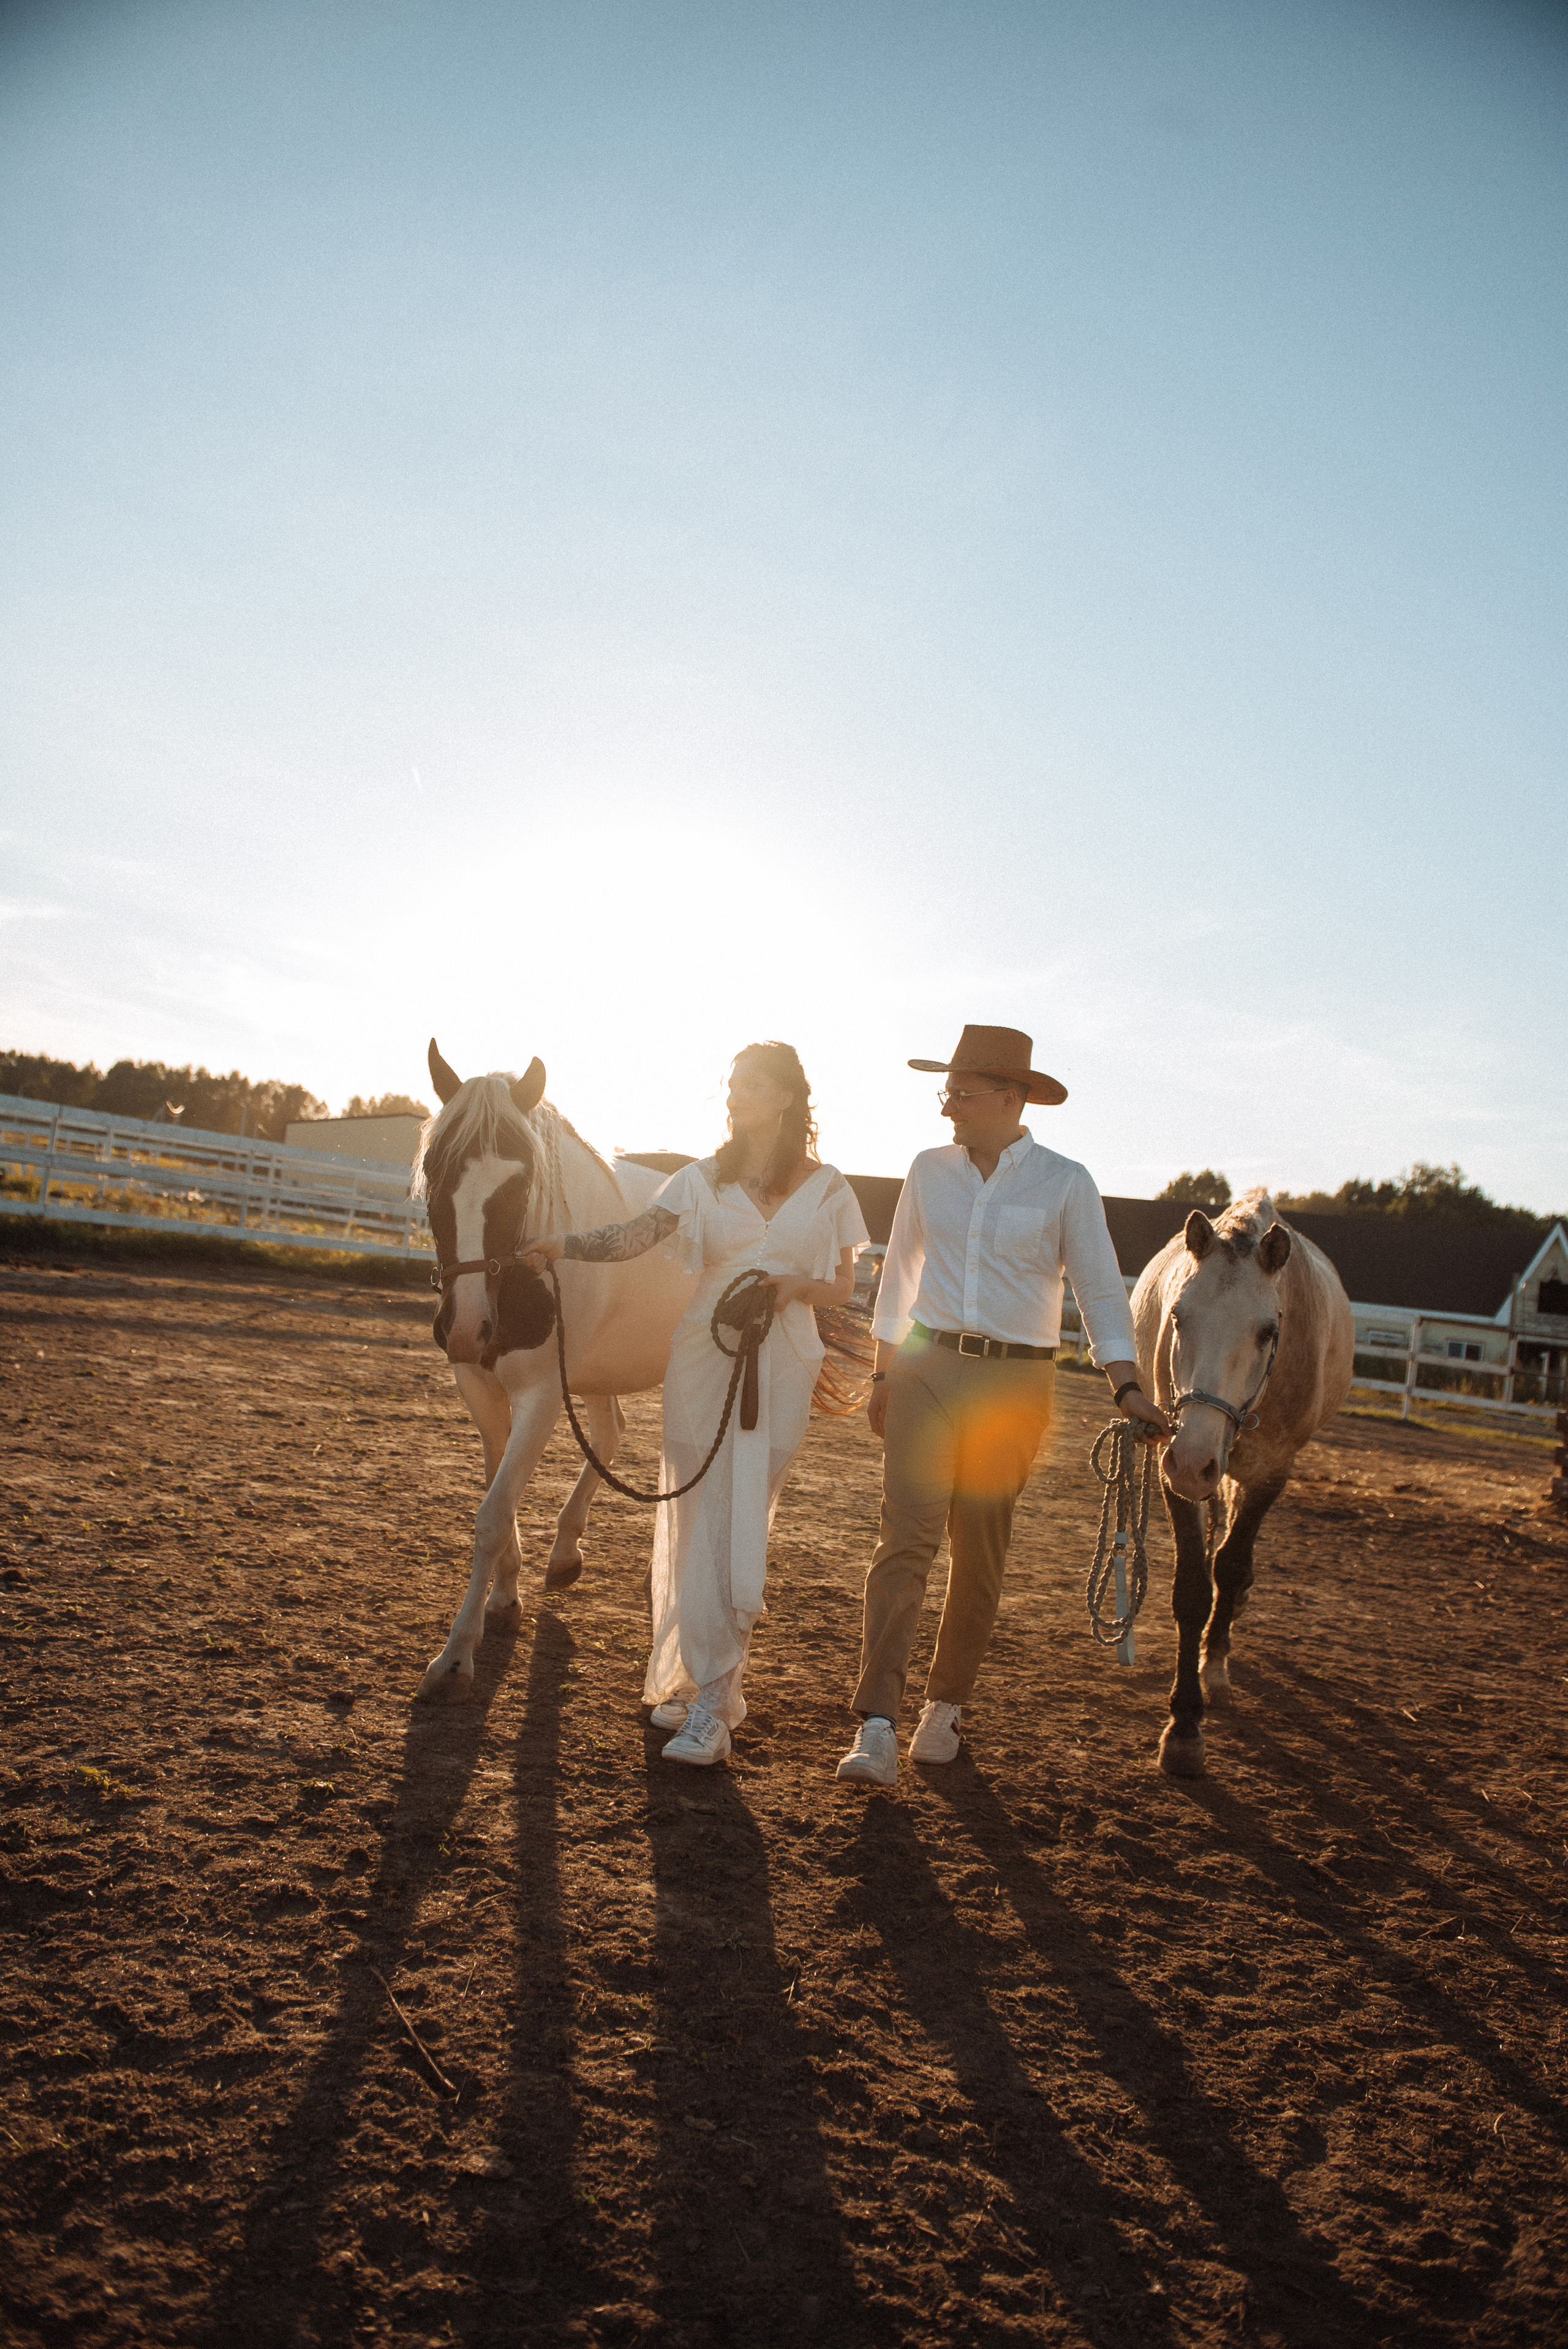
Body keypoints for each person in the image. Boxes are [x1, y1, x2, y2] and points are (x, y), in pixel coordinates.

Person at [835, 1025, 1171, 1788]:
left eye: (960, 1090)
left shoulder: (1065, 1182)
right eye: (946, 1089)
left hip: (1015, 1385)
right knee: (904, 1538)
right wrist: (884, 1374)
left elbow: (1096, 1290)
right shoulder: (928, 1171)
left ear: (1010, 1099)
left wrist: (1126, 1385)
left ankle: (943, 1705)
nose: (946, 1102)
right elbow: (900, 1276)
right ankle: (878, 1721)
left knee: (979, 1548)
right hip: (924, 1367)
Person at [526, 1042, 868, 1766]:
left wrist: (791, 1288)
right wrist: (560, 1246)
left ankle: (712, 1689)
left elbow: (841, 1285)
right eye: (732, 1084)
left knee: (745, 1514)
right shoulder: (699, 1181)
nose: (734, 1096)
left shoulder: (830, 1186)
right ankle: (704, 1692)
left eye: (749, 1085)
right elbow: (632, 1238)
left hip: (783, 1360)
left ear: (785, 1097)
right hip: (703, 1356)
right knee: (697, 1514)